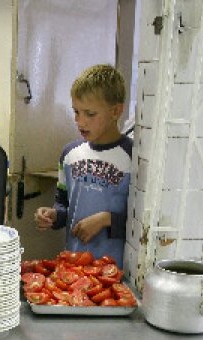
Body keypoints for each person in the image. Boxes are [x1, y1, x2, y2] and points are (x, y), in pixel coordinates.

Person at [33, 64, 131, 268]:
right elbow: (63, 204)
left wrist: (107, 219)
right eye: (76, 112)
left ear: (116, 111)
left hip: (115, 271)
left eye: (90, 114)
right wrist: (53, 215)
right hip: (74, 265)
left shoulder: (134, 158)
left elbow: (142, 225)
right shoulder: (69, 154)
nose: (80, 121)